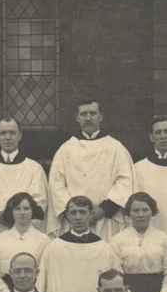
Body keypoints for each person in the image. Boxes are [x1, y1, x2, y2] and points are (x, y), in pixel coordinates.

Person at [49, 99, 134, 240]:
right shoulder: (66, 149)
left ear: (100, 117)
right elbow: (56, 183)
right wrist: (76, 214)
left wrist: (103, 210)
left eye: (93, 113)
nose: (88, 118)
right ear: (77, 118)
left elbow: (125, 181)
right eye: (83, 114)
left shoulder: (115, 148)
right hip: (75, 221)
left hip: (105, 220)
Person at [37, 196, 123, 292]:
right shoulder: (53, 248)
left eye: (82, 212)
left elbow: (118, 286)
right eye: (73, 212)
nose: (78, 217)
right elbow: (41, 286)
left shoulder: (105, 249)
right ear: (67, 215)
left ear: (91, 214)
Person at [0, 117, 51, 237]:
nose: (8, 137)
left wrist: (17, 217)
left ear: (20, 135)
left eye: (12, 133)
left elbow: (39, 200)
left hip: (24, 232)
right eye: (3, 133)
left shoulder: (34, 168)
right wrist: (1, 215)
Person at [109, 192, 167, 292]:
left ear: (153, 212)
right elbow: (116, 274)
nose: (141, 215)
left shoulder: (163, 238)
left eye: (145, 210)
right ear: (128, 213)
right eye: (135, 210)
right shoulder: (117, 240)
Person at [0, 192, 51, 292]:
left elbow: (45, 273)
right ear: (11, 212)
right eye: (17, 209)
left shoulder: (44, 240)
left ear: (32, 211)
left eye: (26, 209)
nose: (22, 213)